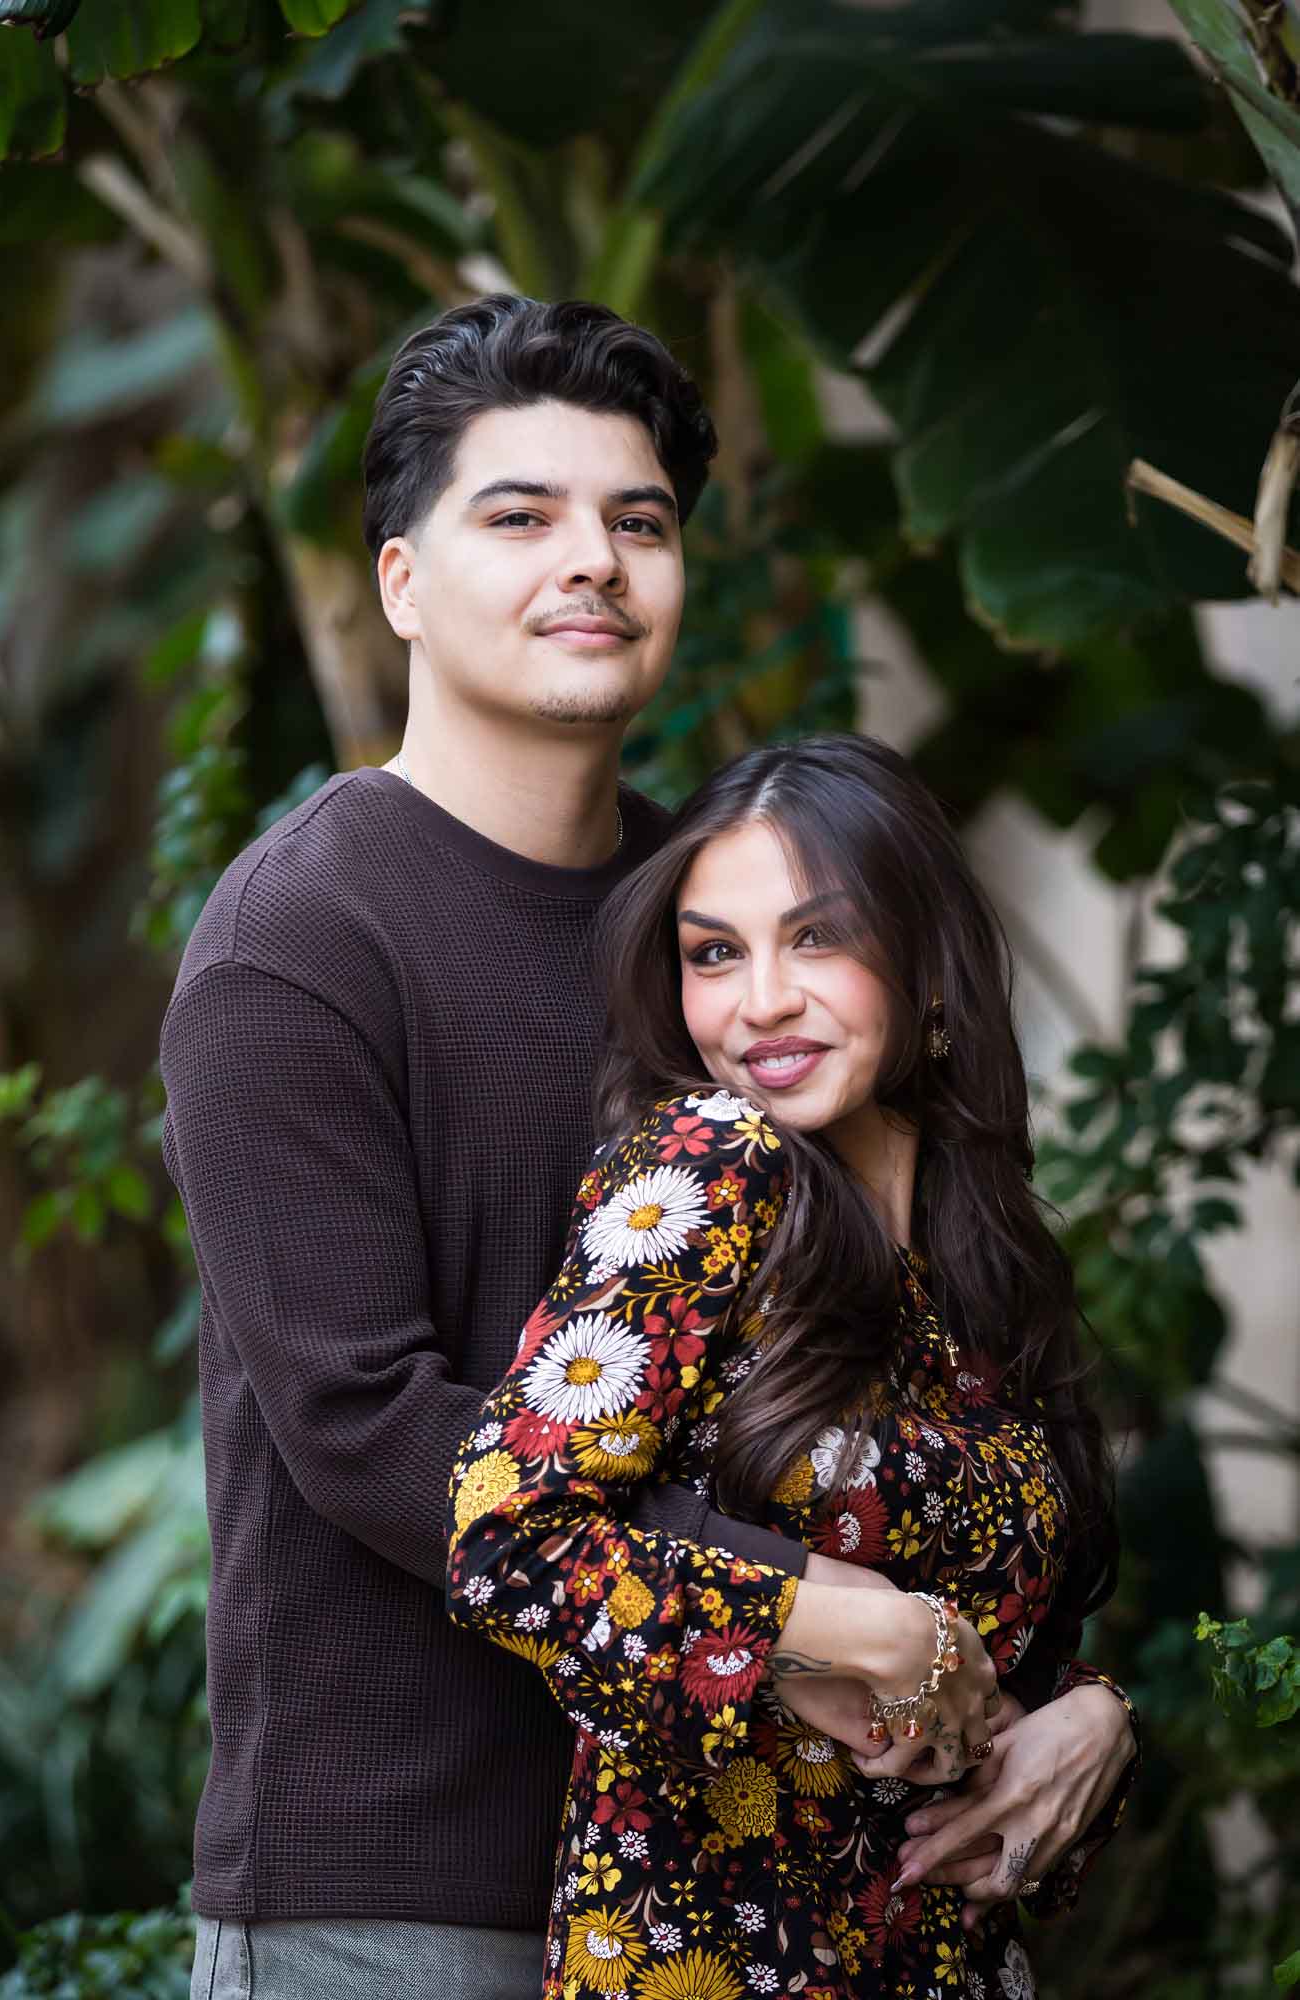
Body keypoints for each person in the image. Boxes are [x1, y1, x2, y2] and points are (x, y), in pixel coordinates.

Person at [164, 291, 1131, 2000]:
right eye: (518, 516)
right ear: (399, 579)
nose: (592, 561)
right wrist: (799, 1622)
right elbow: (364, 1422)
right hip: (420, 1879)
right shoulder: (296, 943)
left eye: (639, 521)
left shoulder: (741, 919)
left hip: (783, 1882)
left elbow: (953, 1350)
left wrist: (1070, 1700)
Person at [446, 732, 1139, 2000]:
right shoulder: (712, 1161)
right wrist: (834, 1624)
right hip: (715, 1953)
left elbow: (1001, 1638)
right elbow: (513, 1542)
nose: (758, 999)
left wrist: (1092, 1717)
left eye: (816, 938)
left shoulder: (981, 1255)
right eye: (715, 952)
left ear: (928, 965)